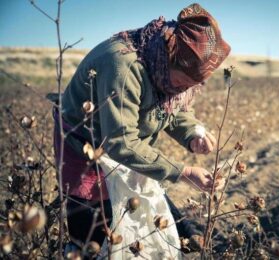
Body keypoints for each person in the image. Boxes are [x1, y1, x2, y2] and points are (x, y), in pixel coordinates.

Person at [53, 2, 230, 255]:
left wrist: (192, 134)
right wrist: (183, 172)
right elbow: (121, 143)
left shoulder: (164, 68)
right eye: (183, 83)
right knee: (95, 236)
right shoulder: (124, 67)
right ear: (169, 61)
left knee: (140, 212)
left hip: (125, 143)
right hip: (84, 144)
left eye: (192, 86)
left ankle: (186, 237)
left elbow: (173, 106)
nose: (184, 91)